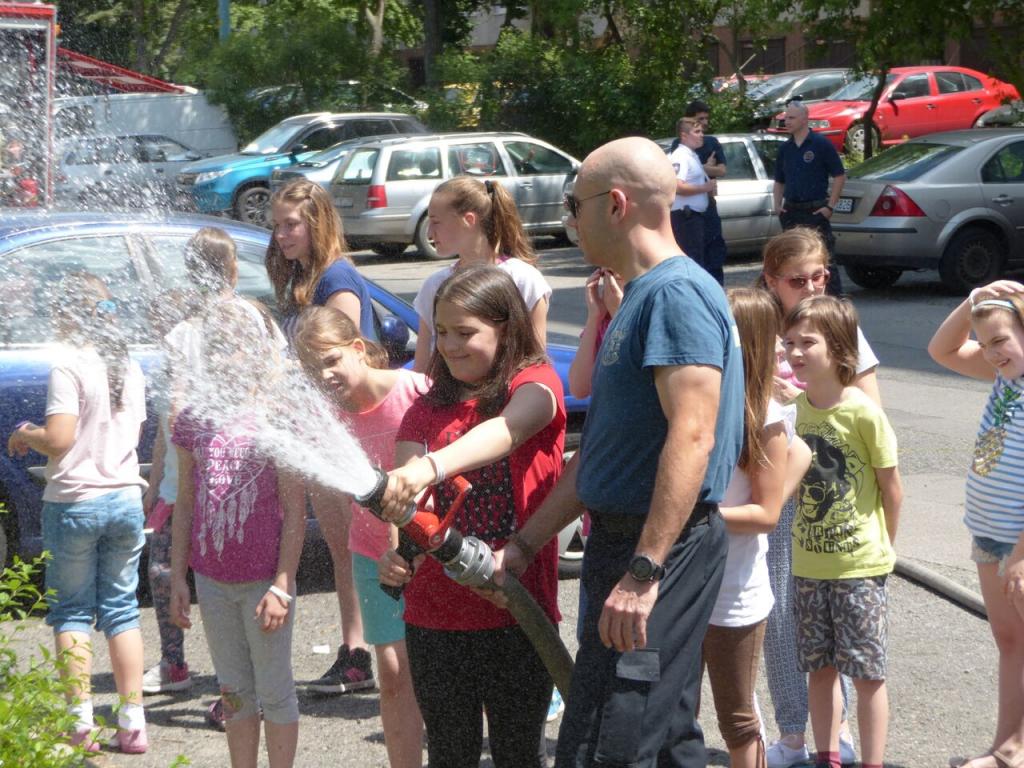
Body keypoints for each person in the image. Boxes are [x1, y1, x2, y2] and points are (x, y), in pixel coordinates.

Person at [495, 136, 744, 767]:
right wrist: (526, 544)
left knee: (612, 741)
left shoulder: (674, 295)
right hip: (630, 544)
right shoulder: (639, 297)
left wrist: (644, 570)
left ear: (615, 204)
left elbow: (693, 434)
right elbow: (604, 454)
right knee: (664, 739)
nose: (569, 220)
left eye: (573, 204)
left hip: (657, 546)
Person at [376, 266, 565, 768]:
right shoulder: (424, 410)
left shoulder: (535, 384)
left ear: (506, 328)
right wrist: (397, 554)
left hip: (516, 611)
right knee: (449, 753)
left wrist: (430, 466)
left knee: (518, 755)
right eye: (441, 331)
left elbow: (508, 430)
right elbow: (409, 504)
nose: (450, 345)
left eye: (465, 332)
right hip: (434, 617)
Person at [7, 272, 148, 754]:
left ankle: (80, 724)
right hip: (125, 498)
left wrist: (26, 432)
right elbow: (131, 433)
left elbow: (60, 439)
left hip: (75, 503)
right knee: (121, 610)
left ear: (67, 314)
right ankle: (132, 723)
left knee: (71, 611)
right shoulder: (127, 364)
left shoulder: (68, 366)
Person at [156, 228, 288, 729]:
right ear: (233, 269)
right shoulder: (260, 318)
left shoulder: (183, 333)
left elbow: (174, 411)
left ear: (191, 273)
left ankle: (188, 669)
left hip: (204, 467)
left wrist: (170, 469)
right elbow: (278, 379)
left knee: (200, 579)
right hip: (226, 462)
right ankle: (234, 696)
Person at [169, 301, 306, 768]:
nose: (226, 355)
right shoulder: (193, 418)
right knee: (232, 689)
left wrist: (283, 583)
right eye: (216, 346)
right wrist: (179, 576)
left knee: (275, 688)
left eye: (237, 345)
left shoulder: (277, 416)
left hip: (264, 581)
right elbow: (186, 503)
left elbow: (294, 509)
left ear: (260, 350)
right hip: (212, 580)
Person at [294, 305, 426, 768]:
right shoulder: (326, 418)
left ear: (357, 349)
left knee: (444, 670)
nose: (325, 376)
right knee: (392, 672)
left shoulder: (414, 391)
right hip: (372, 555)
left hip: (430, 553)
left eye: (331, 360)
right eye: (312, 369)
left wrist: (406, 544)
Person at [781, 295, 902, 768]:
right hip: (808, 565)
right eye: (790, 342)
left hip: (859, 568)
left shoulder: (863, 413)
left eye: (807, 342)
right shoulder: (794, 412)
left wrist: (884, 549)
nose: (794, 352)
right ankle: (827, 757)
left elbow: (892, 489)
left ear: (838, 348)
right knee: (819, 668)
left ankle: (872, 762)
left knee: (868, 673)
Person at [266, 178, 376, 694]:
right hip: (320, 430)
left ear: (316, 222)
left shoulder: (337, 278)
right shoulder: (305, 278)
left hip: (344, 431)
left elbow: (340, 361)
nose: (282, 235)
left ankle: (362, 652)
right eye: (276, 226)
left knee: (356, 545)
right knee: (341, 545)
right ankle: (355, 649)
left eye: (291, 224)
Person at [704, 287, 811, 768]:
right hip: (685, 584)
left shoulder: (764, 415)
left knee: (737, 719)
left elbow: (765, 515)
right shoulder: (697, 401)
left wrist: (697, 518)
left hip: (735, 593)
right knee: (673, 710)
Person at [928, 280, 1024, 768]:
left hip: (1018, 543)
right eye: (984, 344)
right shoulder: (1005, 377)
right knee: (1010, 641)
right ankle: (1006, 748)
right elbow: (941, 349)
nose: (991, 353)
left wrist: (1022, 554)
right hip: (989, 532)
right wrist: (972, 302)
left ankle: (1013, 750)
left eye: (1001, 340)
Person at [411, 176, 551, 373]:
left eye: (436, 222)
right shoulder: (435, 284)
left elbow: (536, 362)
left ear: (469, 220)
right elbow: (422, 367)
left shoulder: (524, 279)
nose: (429, 234)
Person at [772, 100, 846, 296]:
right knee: (793, 259)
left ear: (805, 119)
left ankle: (835, 305)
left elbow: (839, 176)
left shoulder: (820, 144)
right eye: (786, 118)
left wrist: (830, 207)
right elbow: (779, 180)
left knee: (824, 259)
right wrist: (777, 205)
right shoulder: (785, 148)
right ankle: (800, 300)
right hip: (791, 211)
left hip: (815, 211)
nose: (787, 122)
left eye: (792, 117)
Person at [686, 100, 729, 285]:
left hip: (709, 205)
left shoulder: (712, 142)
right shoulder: (680, 146)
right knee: (694, 256)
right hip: (688, 210)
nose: (704, 123)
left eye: (706, 119)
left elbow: (721, 170)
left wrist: (700, 168)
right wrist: (704, 167)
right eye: (700, 119)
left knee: (715, 254)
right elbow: (679, 175)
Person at [668, 117, 716, 271]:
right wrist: (705, 187)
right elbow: (677, 186)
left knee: (698, 259)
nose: (701, 135)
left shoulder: (691, 155)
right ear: (684, 135)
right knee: (692, 261)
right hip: (686, 217)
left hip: (695, 217)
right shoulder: (680, 156)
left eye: (701, 131)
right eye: (697, 131)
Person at [567, 267, 623, 399]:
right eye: (607, 275)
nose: (612, 283)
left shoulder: (648, 317)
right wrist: (594, 317)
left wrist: (620, 316)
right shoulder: (601, 323)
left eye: (618, 277)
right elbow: (579, 389)